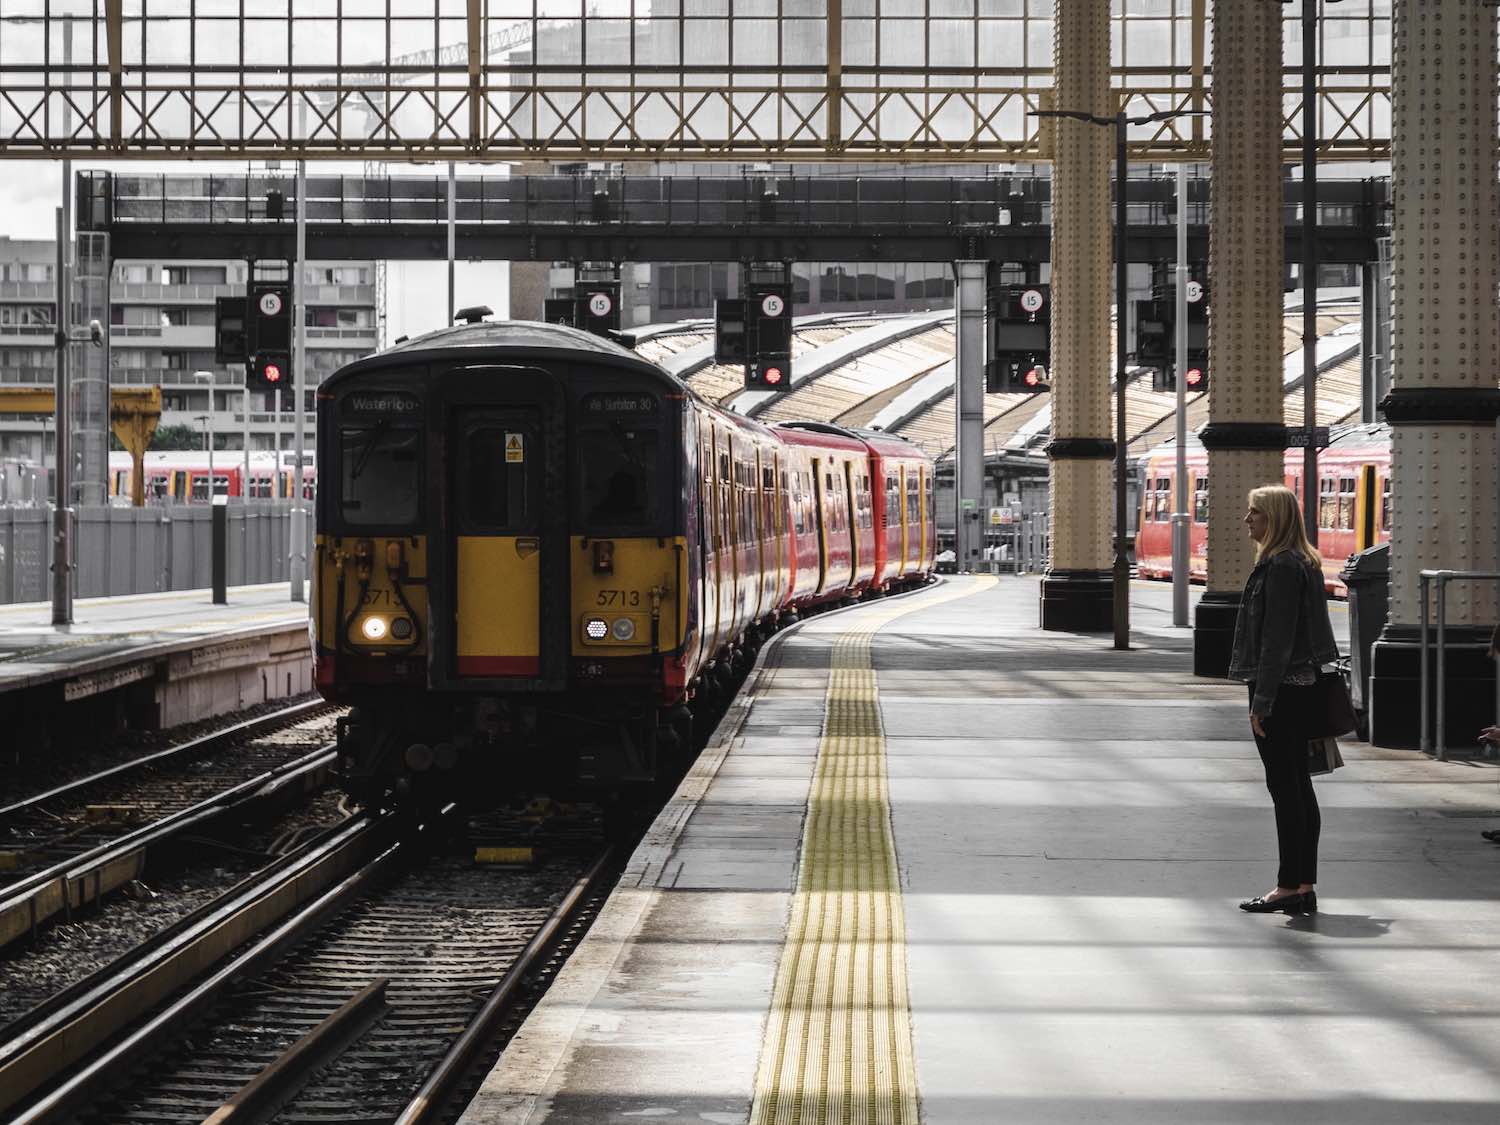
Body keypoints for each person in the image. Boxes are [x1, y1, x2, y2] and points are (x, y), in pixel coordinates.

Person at [1227, 484, 1340, 915]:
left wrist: (1262, 702)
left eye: (1253, 512)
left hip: (1281, 691)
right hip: (1302, 687)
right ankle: (1303, 884)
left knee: (1285, 789)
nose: (1247, 519)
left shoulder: (1279, 568)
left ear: (1272, 518)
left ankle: (1288, 886)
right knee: (1299, 787)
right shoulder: (1304, 563)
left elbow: (1275, 642)